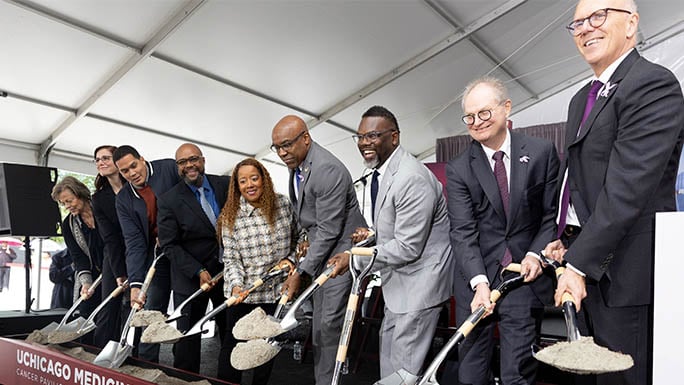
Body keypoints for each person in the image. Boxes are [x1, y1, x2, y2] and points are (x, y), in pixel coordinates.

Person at [543, 1, 684, 384]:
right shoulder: (580, 100)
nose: (586, 28)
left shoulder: (652, 84)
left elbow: (627, 190)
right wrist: (562, 237)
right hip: (585, 265)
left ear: (631, 23)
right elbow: (576, 181)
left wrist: (576, 264)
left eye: (598, 16)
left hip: (624, 274)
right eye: (577, 24)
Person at [329, 105, 454, 385]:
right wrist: (373, 235)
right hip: (398, 286)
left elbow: (409, 247)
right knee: (391, 367)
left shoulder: (411, 177)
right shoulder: (385, 172)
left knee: (402, 374)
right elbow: (397, 228)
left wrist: (353, 258)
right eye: (360, 137)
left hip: (419, 288)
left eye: (372, 136)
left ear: (394, 137)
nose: (364, 143)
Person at [445, 78, 559, 385]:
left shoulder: (541, 152)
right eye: (469, 117)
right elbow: (463, 232)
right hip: (476, 280)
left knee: (518, 374)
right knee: (471, 374)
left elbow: (550, 217)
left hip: (523, 278)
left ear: (506, 108)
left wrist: (535, 254)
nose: (477, 122)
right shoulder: (458, 168)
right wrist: (479, 283)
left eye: (484, 113)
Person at [272, 115, 366, 385]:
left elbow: (329, 230)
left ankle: (329, 381)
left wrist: (300, 272)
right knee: (319, 327)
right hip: (321, 251)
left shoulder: (327, 170)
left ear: (305, 138)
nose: (281, 153)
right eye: (276, 147)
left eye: (287, 145)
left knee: (328, 326)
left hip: (340, 256)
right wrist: (305, 240)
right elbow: (310, 218)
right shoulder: (298, 164)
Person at [217, 157, 300, 384]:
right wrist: (236, 286)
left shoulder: (283, 205)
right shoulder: (230, 216)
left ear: (264, 179)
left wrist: (290, 260)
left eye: (254, 178)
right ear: (237, 186)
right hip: (243, 294)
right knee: (232, 349)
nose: (250, 184)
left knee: (264, 350)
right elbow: (231, 258)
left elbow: (301, 238)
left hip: (275, 293)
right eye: (243, 181)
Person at [157, 143, 229, 377]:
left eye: (193, 159)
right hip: (190, 277)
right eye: (182, 162)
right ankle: (185, 381)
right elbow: (169, 244)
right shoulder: (169, 200)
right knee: (187, 340)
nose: (189, 165)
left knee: (229, 334)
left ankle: (228, 380)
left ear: (203, 160)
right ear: (177, 166)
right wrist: (197, 270)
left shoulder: (225, 185)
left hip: (228, 274)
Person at [113, 145, 180, 362]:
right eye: (125, 171)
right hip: (157, 255)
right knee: (152, 309)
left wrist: (172, 231)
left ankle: (185, 368)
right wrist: (135, 283)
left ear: (142, 159)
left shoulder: (169, 168)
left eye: (134, 165)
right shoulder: (123, 198)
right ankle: (146, 366)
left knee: (184, 311)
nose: (132, 173)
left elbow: (192, 198)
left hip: (185, 251)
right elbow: (133, 242)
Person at [51, 176, 107, 347]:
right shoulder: (68, 224)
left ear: (81, 194)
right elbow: (78, 257)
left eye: (70, 200)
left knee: (108, 315)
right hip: (93, 273)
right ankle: (86, 354)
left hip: (116, 269)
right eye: (63, 203)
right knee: (85, 312)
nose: (67, 206)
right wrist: (85, 282)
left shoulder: (103, 209)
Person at [91, 145, 129, 345]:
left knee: (134, 307)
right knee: (108, 304)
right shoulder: (98, 198)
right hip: (113, 254)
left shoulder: (135, 187)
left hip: (140, 252)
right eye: (97, 159)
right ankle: (100, 355)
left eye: (105, 158)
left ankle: (135, 354)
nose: (101, 162)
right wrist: (118, 273)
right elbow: (109, 238)